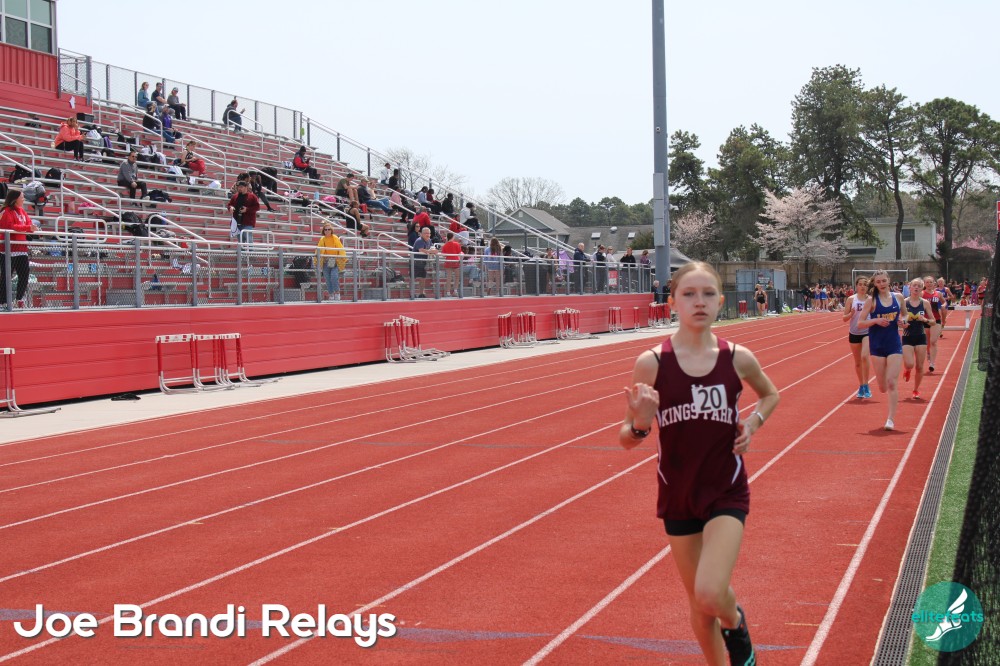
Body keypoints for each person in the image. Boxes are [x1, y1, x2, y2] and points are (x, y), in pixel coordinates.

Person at [620, 261, 779, 666]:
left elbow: (770, 394)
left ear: (721, 302)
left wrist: (753, 424)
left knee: (710, 592)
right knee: (698, 603)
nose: (699, 302)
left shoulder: (738, 358)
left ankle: (735, 623)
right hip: (678, 493)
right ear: (672, 302)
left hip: (726, 488)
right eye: (688, 294)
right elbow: (625, 438)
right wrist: (640, 424)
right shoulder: (652, 363)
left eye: (708, 294)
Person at [856, 270, 906, 430]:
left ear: (889, 280)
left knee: (892, 383)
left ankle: (890, 419)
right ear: (875, 284)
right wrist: (875, 321)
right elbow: (860, 323)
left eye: (884, 281)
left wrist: (903, 322)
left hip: (894, 344)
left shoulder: (898, 298)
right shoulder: (871, 301)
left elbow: (905, 315)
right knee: (882, 387)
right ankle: (883, 389)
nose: (882, 284)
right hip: (877, 345)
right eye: (878, 282)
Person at [0, 189, 41, 309]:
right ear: (15, 199)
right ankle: (3, 302)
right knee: (6, 276)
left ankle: (19, 299)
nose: (24, 199)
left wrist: (32, 228)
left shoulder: (22, 211)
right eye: (22, 197)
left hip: (21, 248)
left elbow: (28, 224)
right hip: (8, 249)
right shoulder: (6, 211)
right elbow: (10, 226)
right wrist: (28, 228)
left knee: (24, 275)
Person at [901, 278, 932, 399]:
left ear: (921, 288)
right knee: (909, 364)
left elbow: (933, 321)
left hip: (920, 337)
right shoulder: (904, 302)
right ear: (910, 287)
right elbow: (898, 319)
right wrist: (903, 323)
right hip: (907, 336)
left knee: (919, 366)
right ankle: (907, 369)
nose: (916, 287)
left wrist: (925, 320)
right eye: (914, 285)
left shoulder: (925, 303)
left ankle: (916, 390)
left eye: (919, 286)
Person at [842, 276, 872, 399]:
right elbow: (844, 318)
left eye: (865, 284)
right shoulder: (851, 299)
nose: (863, 287)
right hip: (854, 333)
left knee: (865, 356)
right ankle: (861, 385)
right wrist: (851, 314)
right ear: (856, 286)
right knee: (858, 362)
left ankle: (867, 384)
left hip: (867, 332)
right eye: (860, 284)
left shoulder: (871, 299)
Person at [316, 223, 346, 301]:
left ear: (331, 230)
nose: (327, 231)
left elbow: (340, 248)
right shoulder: (322, 239)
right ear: (323, 231)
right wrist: (317, 261)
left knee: (334, 277)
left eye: (329, 229)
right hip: (326, 261)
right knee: (327, 279)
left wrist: (342, 258)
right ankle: (331, 294)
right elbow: (318, 249)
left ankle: (337, 293)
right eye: (325, 229)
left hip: (334, 260)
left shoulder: (335, 238)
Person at [411, 225, 439, 298]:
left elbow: (433, 249)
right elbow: (421, 250)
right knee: (413, 278)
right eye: (426, 233)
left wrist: (432, 251)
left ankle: (421, 293)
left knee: (423, 278)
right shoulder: (419, 240)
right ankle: (412, 293)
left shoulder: (429, 240)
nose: (428, 235)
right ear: (422, 234)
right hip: (415, 262)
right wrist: (430, 251)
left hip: (423, 262)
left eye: (429, 233)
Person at [440, 231, 463, 296]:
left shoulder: (445, 245)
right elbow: (459, 253)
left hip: (448, 262)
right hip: (455, 262)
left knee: (449, 278)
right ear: (452, 237)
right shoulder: (457, 244)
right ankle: (455, 290)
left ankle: (448, 292)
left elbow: (443, 255)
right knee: (457, 277)